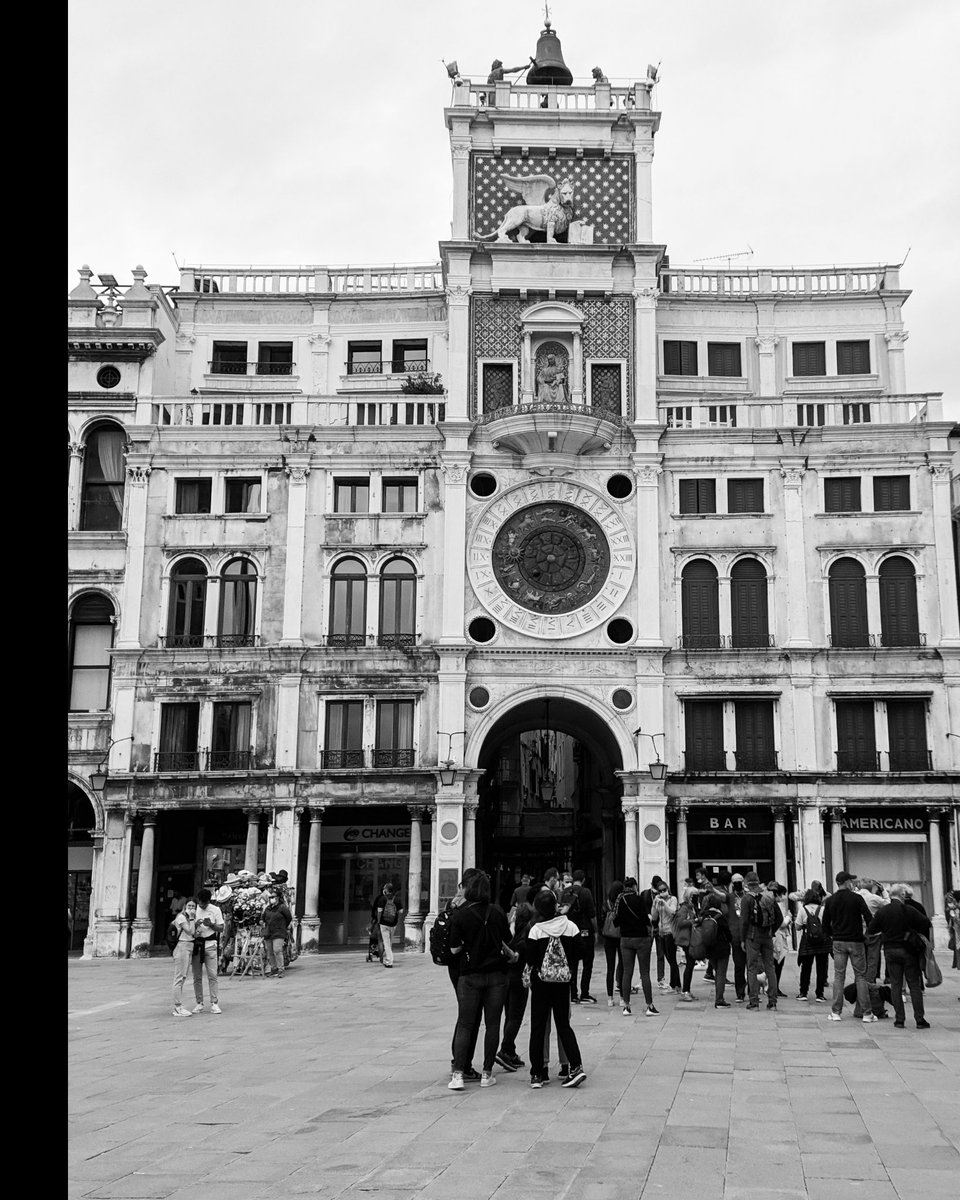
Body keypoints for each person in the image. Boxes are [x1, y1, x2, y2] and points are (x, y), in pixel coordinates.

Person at [448, 871, 516, 1090]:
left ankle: (458, 1074)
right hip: (497, 975)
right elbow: (508, 938)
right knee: (493, 1024)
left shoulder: (461, 914)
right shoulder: (496, 912)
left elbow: (454, 947)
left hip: (469, 975)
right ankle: (487, 1073)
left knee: (465, 1024)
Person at [525, 889, 586, 1089]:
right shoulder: (570, 926)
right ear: (555, 905)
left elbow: (531, 959)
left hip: (541, 984)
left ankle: (537, 1073)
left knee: (538, 1027)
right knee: (563, 1025)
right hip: (562, 984)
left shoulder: (536, 930)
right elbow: (579, 952)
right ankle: (575, 1066)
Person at [867, 883, 931, 1029]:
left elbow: (872, 929)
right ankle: (919, 1019)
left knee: (895, 985)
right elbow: (926, 923)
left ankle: (899, 1019)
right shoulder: (909, 910)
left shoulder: (883, 912)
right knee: (914, 984)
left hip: (890, 949)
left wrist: (885, 931)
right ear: (902, 895)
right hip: (908, 950)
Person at [445, 868, 483, 1083]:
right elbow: (456, 945)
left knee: (465, 1015)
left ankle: (458, 1060)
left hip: (454, 966)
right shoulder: (466, 907)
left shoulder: (452, 904)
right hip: (464, 965)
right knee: (470, 1017)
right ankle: (462, 1064)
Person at [496, 884, 537, 1072]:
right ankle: (505, 1049)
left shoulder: (510, 930)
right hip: (518, 979)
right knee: (516, 1017)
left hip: (505, 978)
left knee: (508, 1015)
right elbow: (518, 956)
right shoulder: (527, 934)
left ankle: (510, 1051)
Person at [822, 871, 873, 1022]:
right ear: (846, 882)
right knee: (860, 976)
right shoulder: (857, 898)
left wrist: (832, 935)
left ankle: (836, 1012)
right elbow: (869, 917)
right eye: (850, 881)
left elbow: (825, 924)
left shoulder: (831, 900)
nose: (852, 883)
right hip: (856, 940)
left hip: (838, 941)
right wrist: (867, 934)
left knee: (839, 976)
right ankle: (867, 1013)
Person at [613, 876, 657, 1016]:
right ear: (634, 887)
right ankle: (649, 1005)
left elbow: (616, 921)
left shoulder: (619, 900)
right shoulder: (639, 899)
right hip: (641, 938)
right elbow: (645, 919)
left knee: (627, 972)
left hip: (625, 939)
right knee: (644, 973)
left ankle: (626, 1006)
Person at [741, 873, 781, 1011]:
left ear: (746, 883)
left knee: (751, 968)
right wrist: (771, 930)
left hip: (752, 935)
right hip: (767, 935)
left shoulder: (746, 899)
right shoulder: (769, 896)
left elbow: (744, 921)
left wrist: (742, 938)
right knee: (770, 967)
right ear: (758, 882)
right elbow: (779, 918)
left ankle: (754, 1001)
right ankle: (772, 1001)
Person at [192, 887, 225, 1014]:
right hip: (197, 943)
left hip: (211, 943)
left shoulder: (215, 910)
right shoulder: (194, 909)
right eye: (200, 903)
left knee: (213, 975)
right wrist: (196, 924)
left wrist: (211, 924)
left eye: (204, 903)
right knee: (197, 976)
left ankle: (214, 1002)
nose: (202, 905)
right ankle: (199, 1002)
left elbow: (221, 928)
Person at [795, 888, 831, 1002]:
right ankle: (820, 994)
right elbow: (828, 924)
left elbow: (797, 926)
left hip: (807, 942)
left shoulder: (802, 909)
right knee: (821, 968)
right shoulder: (823, 909)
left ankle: (803, 993)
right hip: (822, 942)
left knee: (806, 968)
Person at [569, 870, 598, 1004]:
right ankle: (584, 992)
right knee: (587, 963)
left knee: (572, 964)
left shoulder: (566, 892)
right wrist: (596, 931)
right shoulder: (586, 892)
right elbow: (592, 914)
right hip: (585, 931)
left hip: (570, 932)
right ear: (583, 879)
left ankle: (573, 994)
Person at [652, 879, 681, 993]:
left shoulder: (672, 899)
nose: (663, 892)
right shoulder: (658, 901)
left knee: (672, 959)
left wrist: (664, 904)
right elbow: (654, 917)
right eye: (660, 891)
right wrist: (655, 904)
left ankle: (673, 985)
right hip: (661, 932)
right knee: (668, 959)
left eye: (664, 890)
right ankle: (677, 984)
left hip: (670, 932)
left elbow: (672, 912)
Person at [172, 897, 197, 1016]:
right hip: (182, 946)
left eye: (193, 906)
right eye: (190, 906)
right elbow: (190, 931)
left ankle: (179, 1005)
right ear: (185, 906)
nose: (192, 908)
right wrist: (192, 918)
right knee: (179, 977)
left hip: (189, 947)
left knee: (183, 976)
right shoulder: (182, 918)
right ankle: (178, 1006)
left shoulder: (190, 918)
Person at [601, 881, 624, 1008]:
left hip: (608, 938)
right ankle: (621, 997)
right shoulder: (621, 903)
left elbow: (601, 919)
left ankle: (610, 998)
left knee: (610, 968)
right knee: (621, 966)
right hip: (620, 937)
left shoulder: (606, 903)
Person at [726, 874, 749, 1002]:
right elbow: (721, 896)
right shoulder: (730, 897)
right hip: (735, 935)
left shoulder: (748, 896)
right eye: (735, 882)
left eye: (739, 882)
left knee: (752, 966)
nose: (737, 884)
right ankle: (740, 992)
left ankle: (752, 991)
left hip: (749, 935)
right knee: (739, 965)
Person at [262, 889, 292, 979]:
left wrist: (282, 926)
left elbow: (288, 918)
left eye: (273, 897)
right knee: (270, 951)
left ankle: (281, 969)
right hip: (269, 932)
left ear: (278, 898)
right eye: (270, 897)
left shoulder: (282, 907)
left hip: (279, 932)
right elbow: (263, 918)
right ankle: (273, 968)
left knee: (277, 950)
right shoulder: (268, 908)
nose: (271, 899)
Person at [371, 883, 403, 968]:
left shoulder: (382, 899)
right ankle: (387, 958)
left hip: (384, 924)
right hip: (393, 924)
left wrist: (378, 921)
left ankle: (389, 961)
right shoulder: (397, 899)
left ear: (386, 890)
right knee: (389, 942)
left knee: (386, 943)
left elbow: (379, 911)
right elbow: (401, 911)